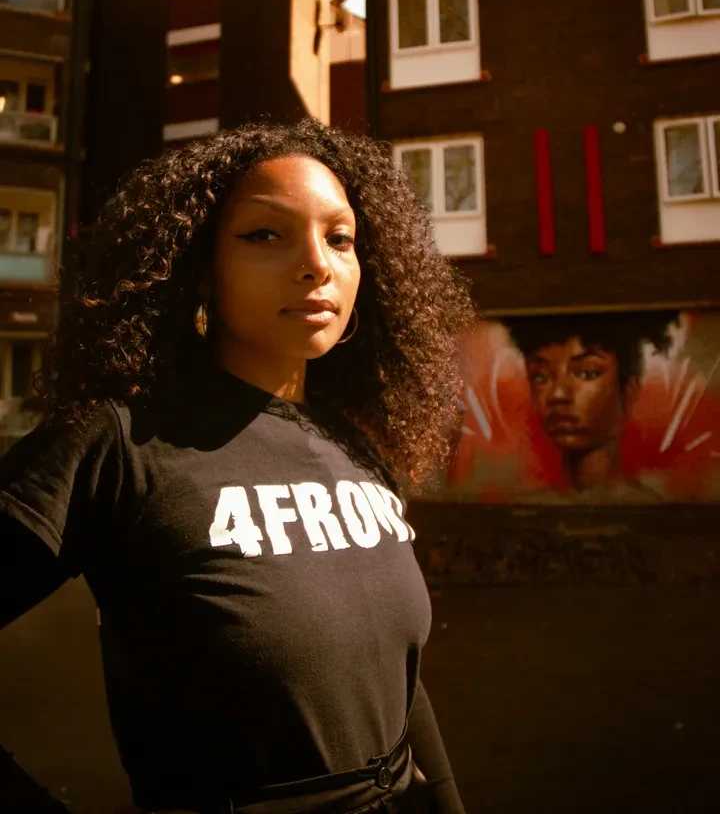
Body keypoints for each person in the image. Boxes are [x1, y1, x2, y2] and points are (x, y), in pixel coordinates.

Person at [0, 119, 473, 814]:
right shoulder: (120, 442)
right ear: (199, 268)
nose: (318, 264)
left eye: (340, 238)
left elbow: (398, 690)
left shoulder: (357, 447)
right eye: (265, 235)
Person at [506, 312, 678, 495]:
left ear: (629, 389)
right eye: (541, 377)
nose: (557, 394)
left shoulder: (659, 514)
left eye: (587, 373)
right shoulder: (525, 509)